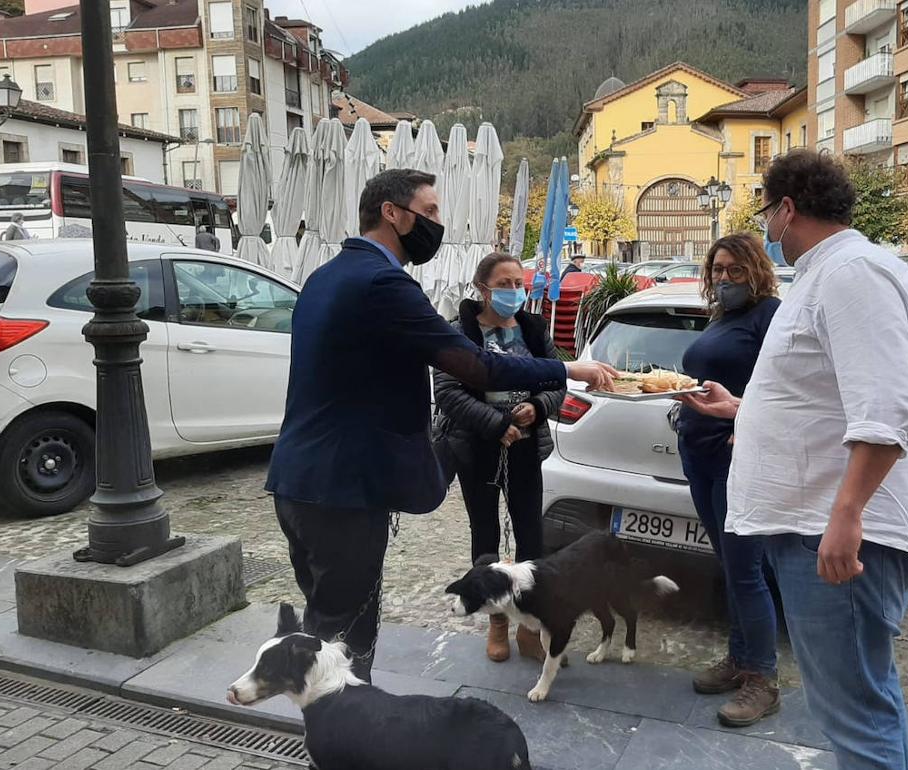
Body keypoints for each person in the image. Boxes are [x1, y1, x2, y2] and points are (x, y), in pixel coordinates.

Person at [265, 169, 616, 682]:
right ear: (392, 213)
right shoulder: (383, 282)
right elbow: (475, 365)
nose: (437, 223)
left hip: (298, 483)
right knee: (347, 639)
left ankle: (337, 730)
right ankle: (344, 739)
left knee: (326, 623)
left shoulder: (326, 275)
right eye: (429, 212)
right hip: (345, 490)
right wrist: (568, 367)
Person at [681, 150, 908, 770]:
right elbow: (825, 398)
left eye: (767, 212)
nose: (767, 227)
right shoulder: (826, 273)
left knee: (853, 715)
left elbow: (890, 409)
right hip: (814, 521)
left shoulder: (853, 273)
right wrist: (743, 409)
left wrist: (846, 515)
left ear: (787, 208)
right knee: (862, 702)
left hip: (832, 531)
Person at [433, 252, 565, 663]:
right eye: (504, 284)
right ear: (482, 288)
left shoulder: (533, 328)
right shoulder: (460, 334)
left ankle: (531, 622)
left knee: (532, 538)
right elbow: (448, 392)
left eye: (518, 283)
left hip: (526, 447)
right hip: (478, 447)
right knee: (485, 536)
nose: (513, 291)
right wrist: (494, 423)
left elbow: (557, 378)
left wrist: (539, 407)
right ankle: (495, 621)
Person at [678, 233, 782, 727]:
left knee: (746, 569)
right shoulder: (723, 317)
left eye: (734, 270)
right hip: (697, 451)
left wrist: (747, 422)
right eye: (717, 270)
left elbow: (785, 386)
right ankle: (740, 658)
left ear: (755, 271)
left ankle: (763, 677)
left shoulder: (770, 316)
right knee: (729, 562)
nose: (723, 278)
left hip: (734, 456)